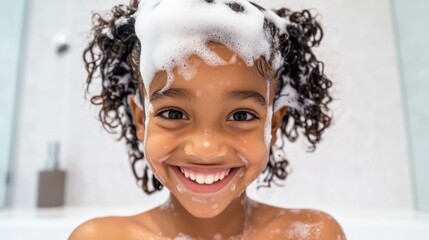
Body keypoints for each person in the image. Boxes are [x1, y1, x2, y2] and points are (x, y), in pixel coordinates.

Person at [69, 0, 346, 239]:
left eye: (241, 115)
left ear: (271, 126)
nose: (206, 149)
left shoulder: (313, 234)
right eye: (174, 114)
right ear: (141, 120)